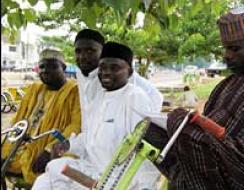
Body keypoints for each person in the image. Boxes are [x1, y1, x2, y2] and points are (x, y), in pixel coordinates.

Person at [144, 5, 244, 189]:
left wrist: (191, 134)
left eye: (235, 49)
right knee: (149, 132)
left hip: (233, 179)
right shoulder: (223, 86)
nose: (227, 56)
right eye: (225, 48)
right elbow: (205, 126)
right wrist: (188, 129)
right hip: (200, 174)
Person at [32, 42, 160, 190]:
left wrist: (144, 186)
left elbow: (146, 148)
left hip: (122, 180)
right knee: (47, 178)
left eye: (114, 68)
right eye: (103, 67)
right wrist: (68, 145)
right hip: (93, 171)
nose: (106, 72)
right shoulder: (99, 97)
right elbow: (90, 137)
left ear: (129, 72)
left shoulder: (135, 98)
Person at [1, 48, 81, 184]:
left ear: (64, 68)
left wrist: (49, 150)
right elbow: (18, 123)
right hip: (22, 146)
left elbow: (76, 126)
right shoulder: (34, 90)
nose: (45, 70)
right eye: (42, 67)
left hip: (50, 148)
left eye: (52, 66)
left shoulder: (74, 91)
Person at [74, 29, 163, 130]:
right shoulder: (80, 73)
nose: (83, 57)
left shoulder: (121, 76)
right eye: (78, 51)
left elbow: (156, 97)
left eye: (90, 51)